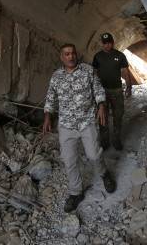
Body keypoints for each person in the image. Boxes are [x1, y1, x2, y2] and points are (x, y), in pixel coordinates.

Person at [42, 43, 117, 212]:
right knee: (69, 160)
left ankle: (104, 174)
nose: (70, 56)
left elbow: (98, 89)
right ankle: (76, 192)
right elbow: (50, 97)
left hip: (86, 122)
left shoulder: (88, 71)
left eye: (73, 53)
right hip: (66, 125)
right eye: (67, 54)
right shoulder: (56, 77)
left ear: (76, 55)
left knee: (93, 154)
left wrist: (102, 105)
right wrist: (47, 116)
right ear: (62, 57)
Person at [92, 32, 131, 151]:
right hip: (102, 92)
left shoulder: (120, 55)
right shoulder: (97, 56)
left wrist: (129, 86)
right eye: (104, 43)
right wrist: (94, 89)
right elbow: (94, 73)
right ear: (102, 44)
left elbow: (125, 71)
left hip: (117, 90)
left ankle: (116, 140)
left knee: (118, 116)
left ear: (112, 42)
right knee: (102, 117)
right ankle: (104, 142)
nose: (107, 45)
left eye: (109, 43)